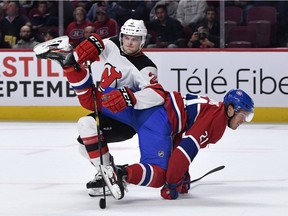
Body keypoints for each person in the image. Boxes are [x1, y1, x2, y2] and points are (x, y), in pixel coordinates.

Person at [33, 19, 163, 197]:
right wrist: (94, 44)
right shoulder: (115, 43)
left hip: (124, 119)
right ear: (122, 36)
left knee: (86, 125)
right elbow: (92, 52)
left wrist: (129, 97)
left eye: (135, 39)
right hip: (105, 105)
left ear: (143, 40)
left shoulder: (145, 67)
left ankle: (110, 173)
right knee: (83, 145)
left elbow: (157, 95)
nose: (129, 42)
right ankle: (108, 173)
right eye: (126, 38)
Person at [99, 87, 254, 200]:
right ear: (231, 110)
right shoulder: (217, 121)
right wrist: (172, 184)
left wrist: (183, 173)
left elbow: (179, 137)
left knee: (99, 99)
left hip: (155, 109)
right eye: (243, 115)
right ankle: (120, 174)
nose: (244, 121)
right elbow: (184, 151)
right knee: (161, 175)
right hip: (160, 119)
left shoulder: (214, 110)